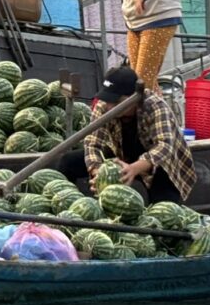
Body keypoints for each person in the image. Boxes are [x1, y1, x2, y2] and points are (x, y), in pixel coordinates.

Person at [83, 66, 196, 204]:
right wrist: (98, 173)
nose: (110, 107)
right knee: (67, 161)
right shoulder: (104, 106)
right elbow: (92, 143)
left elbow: (165, 146)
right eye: (108, 100)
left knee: (162, 207)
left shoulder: (155, 105)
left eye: (116, 102)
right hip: (122, 154)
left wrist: (133, 169)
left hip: (161, 162)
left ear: (134, 97)